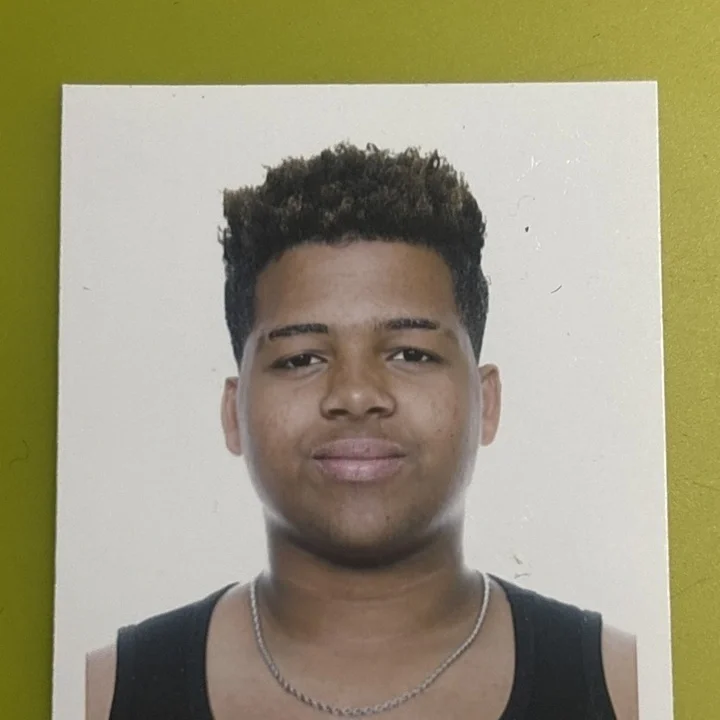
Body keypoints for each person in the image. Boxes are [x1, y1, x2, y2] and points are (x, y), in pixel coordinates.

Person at [86, 143, 638, 719]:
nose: (355, 395)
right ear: (234, 413)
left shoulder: (626, 687)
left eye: (411, 353)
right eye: (301, 359)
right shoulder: (102, 694)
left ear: (487, 402)